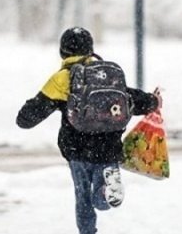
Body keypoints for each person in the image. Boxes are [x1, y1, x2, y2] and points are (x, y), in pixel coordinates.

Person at [16, 27, 161, 234]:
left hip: (78, 149)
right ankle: (105, 190)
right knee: (102, 200)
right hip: (109, 147)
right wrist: (153, 101)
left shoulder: (61, 79)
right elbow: (131, 98)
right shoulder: (106, 74)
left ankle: (87, 231)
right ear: (90, 49)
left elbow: (27, 119)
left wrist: (26, 112)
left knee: (83, 196)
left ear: (62, 52)